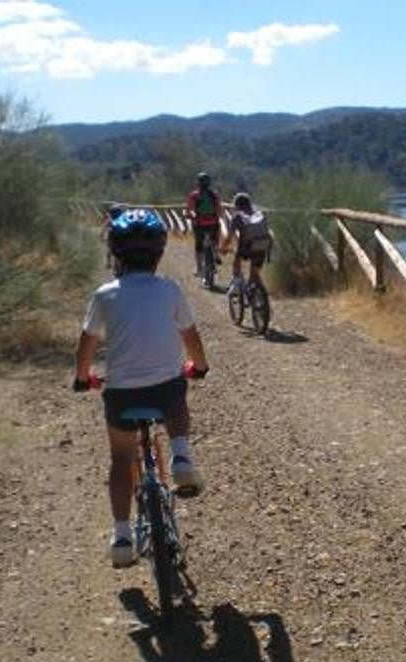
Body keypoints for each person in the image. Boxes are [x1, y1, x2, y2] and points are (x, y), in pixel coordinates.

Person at [73, 208, 209, 568]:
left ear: (115, 252)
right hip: (164, 390)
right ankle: (181, 455)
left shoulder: (105, 294)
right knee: (176, 392)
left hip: (121, 395)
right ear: (160, 251)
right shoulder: (170, 289)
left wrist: (82, 376)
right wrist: (200, 366)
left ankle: (121, 536)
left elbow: (86, 343)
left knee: (121, 458)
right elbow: (190, 337)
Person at [221, 192, 272, 290]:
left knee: (237, 258)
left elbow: (229, 237)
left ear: (237, 205)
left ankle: (237, 283)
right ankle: (258, 293)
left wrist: (223, 248)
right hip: (264, 244)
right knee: (255, 270)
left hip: (248, 245)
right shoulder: (259, 213)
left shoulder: (237, 216)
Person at [185, 171, 222, 277]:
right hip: (213, 223)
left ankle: (199, 268)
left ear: (198, 183)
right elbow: (219, 209)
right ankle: (215, 253)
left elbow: (190, 210)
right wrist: (217, 217)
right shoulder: (214, 195)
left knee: (199, 246)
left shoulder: (194, 195)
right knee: (214, 240)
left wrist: (191, 215)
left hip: (199, 224)